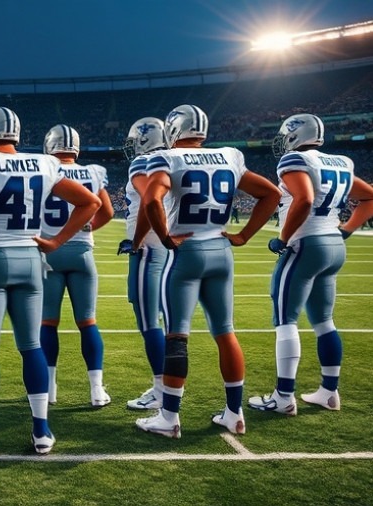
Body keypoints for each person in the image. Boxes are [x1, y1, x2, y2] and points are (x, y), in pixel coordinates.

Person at [0, 107, 100, 458]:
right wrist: (57, 241)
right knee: (31, 345)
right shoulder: (44, 164)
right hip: (33, 259)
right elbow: (90, 202)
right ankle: (42, 431)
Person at [134, 104, 280, 439]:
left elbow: (152, 201)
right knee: (225, 332)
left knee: (176, 335)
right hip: (221, 250)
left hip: (187, 251)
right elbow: (270, 194)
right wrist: (243, 235)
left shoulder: (168, 157)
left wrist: (168, 238)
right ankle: (234, 413)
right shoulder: (229, 155)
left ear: (173, 129)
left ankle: (169, 418)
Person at [248, 114, 373, 415]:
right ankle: (329, 392)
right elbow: (369, 197)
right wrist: (347, 229)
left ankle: (283, 397)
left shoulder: (294, 160)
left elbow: (303, 199)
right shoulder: (341, 162)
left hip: (306, 243)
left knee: (285, 320)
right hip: (333, 243)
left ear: (294, 134)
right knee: (324, 321)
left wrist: (283, 237)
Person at [39, 124, 114, 407]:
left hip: (49, 251)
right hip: (82, 251)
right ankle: (96, 390)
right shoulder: (92, 172)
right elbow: (105, 210)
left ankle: (49, 390)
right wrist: (83, 228)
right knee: (88, 322)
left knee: (48, 322)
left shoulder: (44, 169)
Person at [119, 117, 170, 410]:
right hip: (164, 247)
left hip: (150, 248)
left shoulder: (145, 163)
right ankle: (166, 387)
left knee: (150, 321)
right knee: (160, 321)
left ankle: (162, 390)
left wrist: (136, 241)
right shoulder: (171, 161)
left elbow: (151, 202)